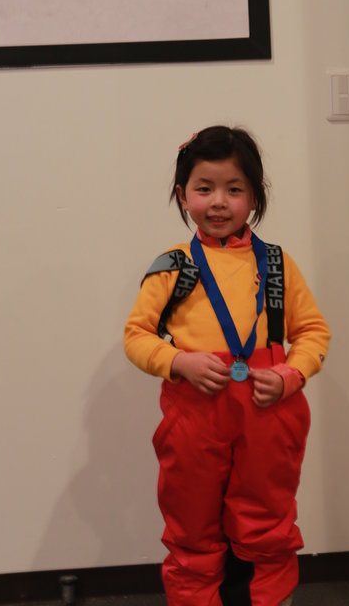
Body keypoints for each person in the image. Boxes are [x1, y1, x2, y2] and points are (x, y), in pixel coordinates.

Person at [124, 126, 331, 606]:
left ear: (254, 197)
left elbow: (313, 332)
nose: (218, 202)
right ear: (183, 195)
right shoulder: (173, 266)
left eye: (234, 189)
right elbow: (136, 336)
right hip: (195, 417)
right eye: (204, 188)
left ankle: (269, 599)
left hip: (269, 414)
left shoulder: (277, 264)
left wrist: (291, 375)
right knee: (191, 524)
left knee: (267, 522)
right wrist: (178, 361)